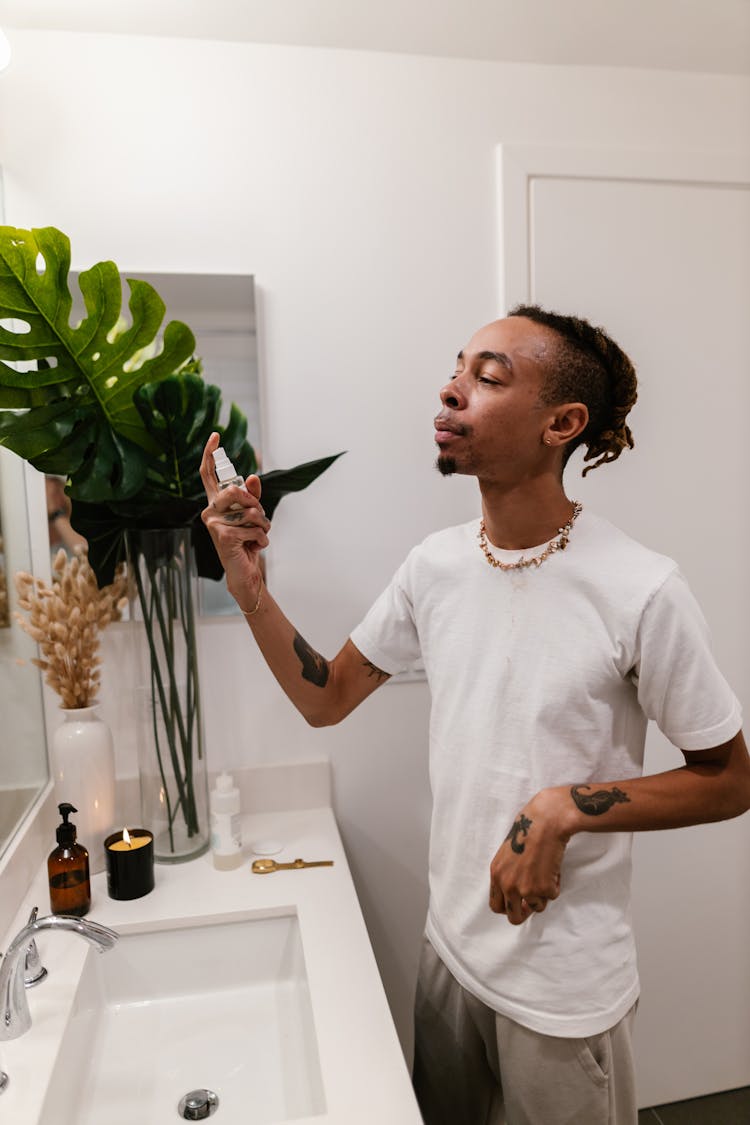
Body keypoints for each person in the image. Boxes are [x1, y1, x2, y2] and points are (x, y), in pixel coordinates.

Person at [199, 305, 750, 1125]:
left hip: (562, 991)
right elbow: (326, 696)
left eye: (488, 378)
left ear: (561, 423)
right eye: (458, 368)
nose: (453, 388)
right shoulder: (437, 565)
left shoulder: (640, 588)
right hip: (449, 955)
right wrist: (251, 591)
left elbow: (730, 778)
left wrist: (565, 807)